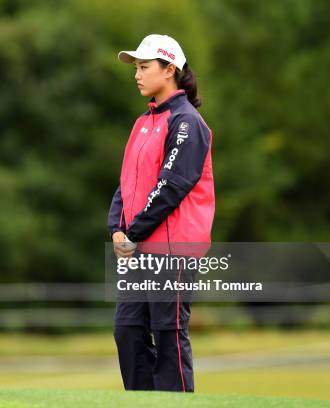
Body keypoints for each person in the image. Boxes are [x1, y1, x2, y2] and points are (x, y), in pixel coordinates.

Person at [107, 34, 215, 392]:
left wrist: (133, 232)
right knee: (128, 332)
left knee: (169, 338)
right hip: (139, 249)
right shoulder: (143, 122)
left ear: (170, 69)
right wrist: (117, 229)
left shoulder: (187, 122)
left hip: (173, 250)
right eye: (135, 67)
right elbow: (126, 183)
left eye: (144, 67)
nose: (136, 74)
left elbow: (171, 186)